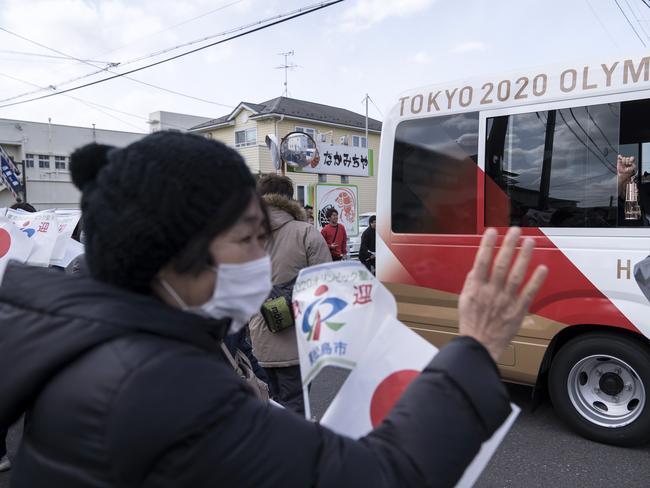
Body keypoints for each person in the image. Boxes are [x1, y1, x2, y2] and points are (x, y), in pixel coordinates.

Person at [0, 131, 547, 487]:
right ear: (170, 250)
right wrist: (475, 345)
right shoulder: (160, 385)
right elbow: (383, 478)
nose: (261, 256)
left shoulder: (85, 340)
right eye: (247, 237)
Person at [249, 175, 331, 414]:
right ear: (290, 199)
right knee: (299, 411)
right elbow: (325, 287)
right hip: (299, 343)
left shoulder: (244, 235)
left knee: (272, 404)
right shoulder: (306, 233)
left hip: (260, 339)